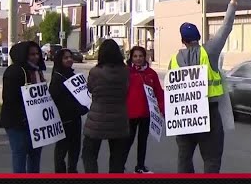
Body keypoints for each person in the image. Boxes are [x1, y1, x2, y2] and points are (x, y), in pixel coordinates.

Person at [169, 0, 238, 173]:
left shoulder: (174, 60)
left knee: (184, 158)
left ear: (182, 40)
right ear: (198, 38)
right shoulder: (210, 51)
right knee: (212, 159)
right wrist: (232, 1)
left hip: (184, 115)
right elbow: (226, 28)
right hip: (208, 114)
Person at [82, 39, 130, 173]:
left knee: (89, 154)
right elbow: (126, 90)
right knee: (117, 158)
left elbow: (90, 89)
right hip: (119, 119)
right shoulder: (125, 72)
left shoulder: (95, 72)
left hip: (97, 119)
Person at [0, 41, 46, 173]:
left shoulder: (37, 71)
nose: (35, 57)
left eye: (37, 54)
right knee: (20, 154)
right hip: (17, 123)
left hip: (36, 123)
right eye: (31, 54)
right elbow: (9, 98)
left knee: (35, 155)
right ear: (23, 55)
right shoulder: (14, 71)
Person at [49, 49, 89, 173]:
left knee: (75, 148)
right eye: (65, 58)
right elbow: (55, 99)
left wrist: (84, 106)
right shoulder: (57, 77)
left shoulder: (72, 75)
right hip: (63, 119)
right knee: (62, 149)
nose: (69, 60)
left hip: (75, 118)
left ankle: (72, 171)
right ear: (60, 60)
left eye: (70, 57)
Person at [126, 45, 164, 174]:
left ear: (145, 57)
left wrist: (162, 109)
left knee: (142, 142)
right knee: (127, 141)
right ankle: (119, 165)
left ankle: (140, 167)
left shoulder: (151, 73)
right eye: (135, 56)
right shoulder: (127, 72)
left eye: (140, 56)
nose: (138, 59)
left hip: (146, 114)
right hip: (130, 114)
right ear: (131, 58)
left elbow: (159, 92)